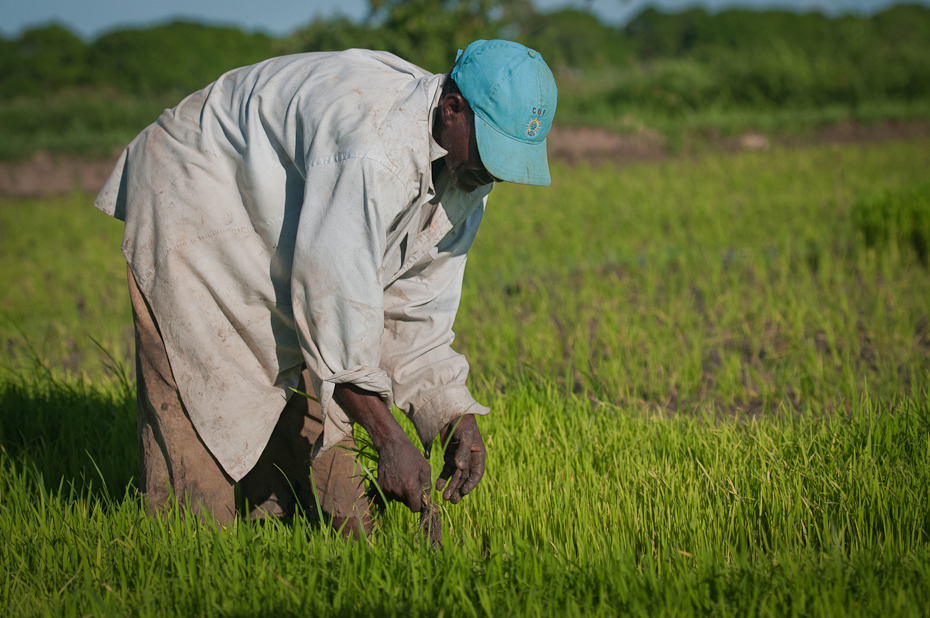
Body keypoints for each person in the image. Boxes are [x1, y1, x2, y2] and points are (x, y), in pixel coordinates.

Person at [94, 39, 557, 535]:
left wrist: (452, 416)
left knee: (334, 504)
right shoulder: (373, 149)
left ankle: (274, 519)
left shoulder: (467, 179)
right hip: (192, 198)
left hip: (280, 233)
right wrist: (388, 439)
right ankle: (185, 556)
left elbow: (416, 309)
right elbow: (331, 304)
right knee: (200, 457)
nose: (496, 175)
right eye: (491, 150)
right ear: (452, 109)